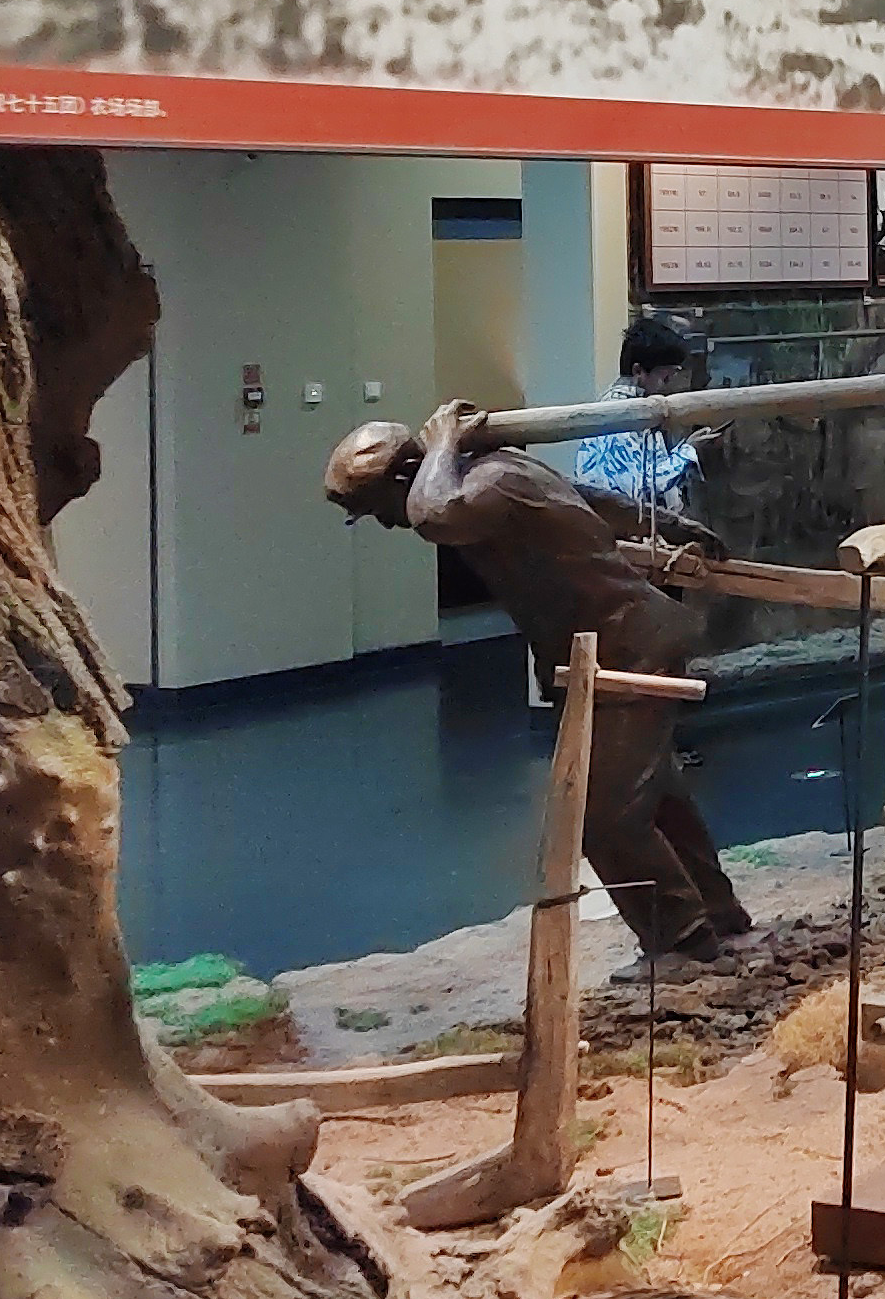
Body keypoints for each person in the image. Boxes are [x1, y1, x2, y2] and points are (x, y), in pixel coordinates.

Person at [324, 407, 757, 967]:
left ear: (409, 474)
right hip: (607, 645)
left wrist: (442, 443)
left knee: (603, 819)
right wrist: (671, 525)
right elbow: (582, 498)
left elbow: (435, 515)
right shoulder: (500, 474)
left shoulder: (486, 484)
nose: (386, 523)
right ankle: (717, 917)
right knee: (656, 796)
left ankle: (684, 945)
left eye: (377, 508)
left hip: (629, 644)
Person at [575, 313, 713, 527]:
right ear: (638, 371)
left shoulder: (638, 410)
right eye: (665, 378)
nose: (670, 386)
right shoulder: (620, 415)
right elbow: (638, 489)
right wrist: (688, 452)